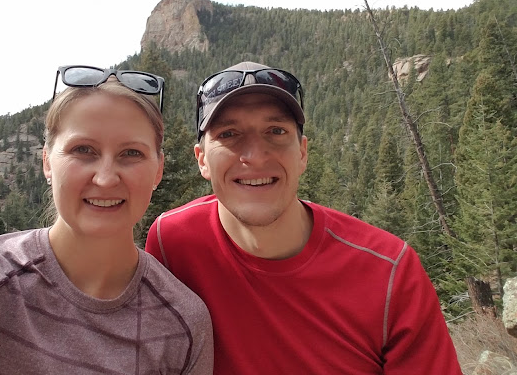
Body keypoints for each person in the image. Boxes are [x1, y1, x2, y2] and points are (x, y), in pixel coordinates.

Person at [0, 65, 213, 374]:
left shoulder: (183, 322)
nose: (106, 178)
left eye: (131, 153)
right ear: (47, 162)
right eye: (84, 150)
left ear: (158, 170)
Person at [146, 61, 462, 374]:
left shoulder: (390, 272)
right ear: (202, 160)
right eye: (229, 134)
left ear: (302, 153)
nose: (255, 156)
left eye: (276, 131)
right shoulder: (171, 241)